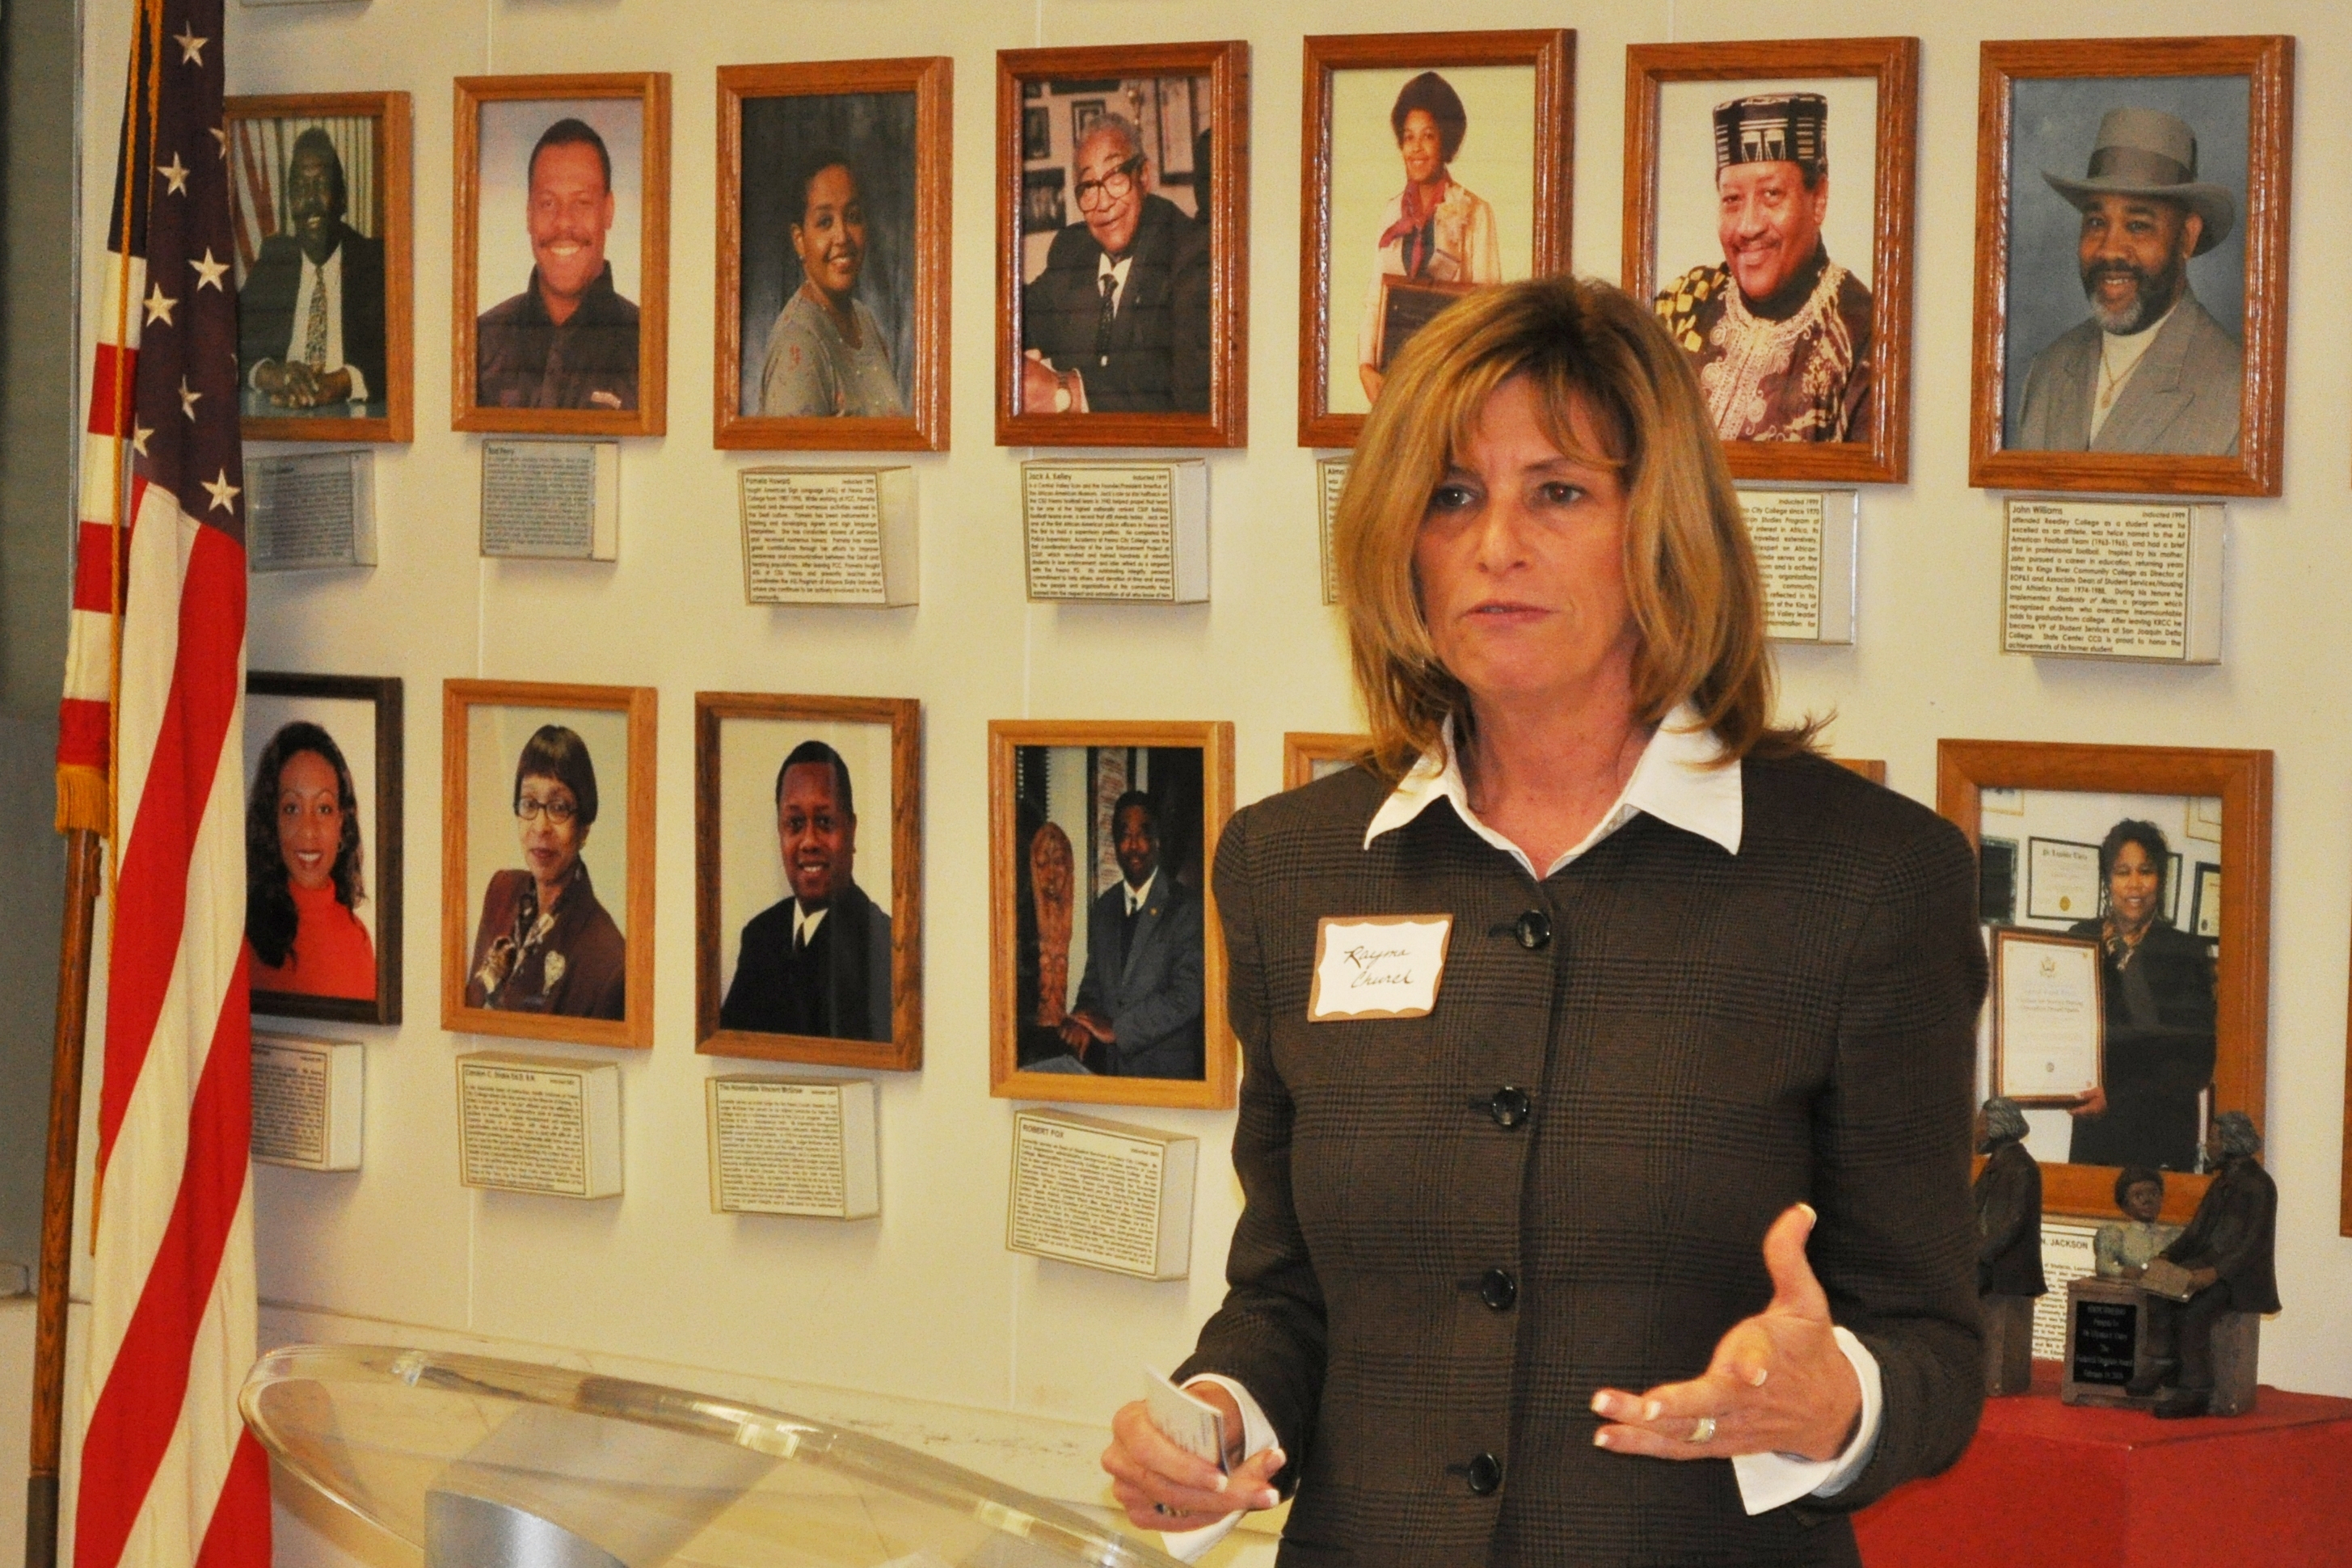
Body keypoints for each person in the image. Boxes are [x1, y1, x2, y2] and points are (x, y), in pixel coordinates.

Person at [1102, 276, 1985, 1564]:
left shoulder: (1864, 881)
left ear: (1659, 528)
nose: (1495, 544)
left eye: (1558, 492)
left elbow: (1935, 1345)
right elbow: (1287, 1290)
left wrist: (1835, 1399)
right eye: (1452, 495)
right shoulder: (1293, 866)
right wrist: (1217, 1418)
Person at [2013, 107, 2243, 456]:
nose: (2109, 250)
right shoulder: (2047, 371)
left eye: (2138, 226)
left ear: (2186, 237)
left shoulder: (2237, 392)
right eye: (2096, 222)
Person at [1655, 92, 1874, 444]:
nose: (1748, 226)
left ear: (1818, 198)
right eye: (1732, 199)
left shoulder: (1863, 333)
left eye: (1771, 194)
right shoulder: (1680, 307)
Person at [1020, 113, 1210, 415]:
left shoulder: (1190, 254)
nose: (1104, 202)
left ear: (1143, 176)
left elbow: (1185, 390)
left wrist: (1065, 391)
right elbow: (1020, 317)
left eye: (1116, 178)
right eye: (1089, 186)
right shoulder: (1072, 250)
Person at [2065, 819, 2215, 1172]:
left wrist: (2115, 1096)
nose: (2134, 884)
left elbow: (2197, 1062)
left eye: (2145, 871)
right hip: (2096, 1137)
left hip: (2161, 1133)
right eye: (2123, 872)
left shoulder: (2186, 951)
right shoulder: (2080, 940)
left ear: (2160, 878)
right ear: (2108, 879)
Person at [719, 741, 891, 1041]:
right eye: (795, 823)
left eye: (825, 822)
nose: (809, 841)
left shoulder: (884, 946)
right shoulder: (760, 936)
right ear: (780, 831)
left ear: (851, 830)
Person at [1355, 70, 1502, 404]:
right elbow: (1375, 301)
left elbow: (1489, 312)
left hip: (1452, 388)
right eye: (1409, 137)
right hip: (1396, 384)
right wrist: (1366, 367)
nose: (1416, 148)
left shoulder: (1476, 212)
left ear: (1445, 141)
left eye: (1428, 136)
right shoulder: (1391, 213)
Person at [476, 118, 639, 411]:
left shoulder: (649, 348)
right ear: (529, 214)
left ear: (608, 211)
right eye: (548, 203)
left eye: (582, 203)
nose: (564, 222)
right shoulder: (480, 345)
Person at [466, 724, 625, 1019]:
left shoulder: (609, 961)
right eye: (529, 804)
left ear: (584, 828)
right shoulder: (501, 890)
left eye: (559, 807)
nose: (540, 827)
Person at [2126, 1112, 2277, 1418]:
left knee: (2194, 1310)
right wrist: (2167, 1257)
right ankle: (2162, 1362)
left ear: (2231, 1142)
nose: (2208, 1145)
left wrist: (2215, 1272)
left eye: (2213, 1138)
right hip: (2209, 1265)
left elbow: (2252, 1244)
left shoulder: (2260, 1186)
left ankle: (2196, 1389)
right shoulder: (2221, 1184)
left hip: (2239, 1277)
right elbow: (2195, 1233)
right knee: (2159, 1287)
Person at [238, 128, 387, 412]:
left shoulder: (373, 262)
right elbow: (230, 340)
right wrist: (271, 375)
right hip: (281, 416)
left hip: (355, 418)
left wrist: (341, 383)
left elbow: (398, 353)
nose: (310, 200)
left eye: (322, 184)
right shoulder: (275, 261)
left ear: (342, 198)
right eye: (300, 188)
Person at [1058, 791, 1204, 1079]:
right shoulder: (1104, 908)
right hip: (1112, 1074)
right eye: (1125, 836)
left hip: (1167, 1077)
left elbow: (1187, 997)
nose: (1133, 846)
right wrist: (1082, 1020)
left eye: (1143, 834)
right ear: (1115, 845)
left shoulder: (1187, 908)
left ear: (1157, 841)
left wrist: (1119, 1030)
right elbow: (1093, 984)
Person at [757, 150, 906, 418]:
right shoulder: (798, 344)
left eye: (853, 217)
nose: (842, 236)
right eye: (825, 222)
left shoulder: (864, 320)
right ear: (799, 240)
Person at [243, 721, 375, 1000]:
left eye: (324, 809)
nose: (308, 830)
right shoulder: (242, 934)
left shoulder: (358, 940)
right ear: (272, 821)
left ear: (341, 821)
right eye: (292, 809)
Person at [1975, 1098, 2046, 1302]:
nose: (1977, 1131)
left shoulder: (2021, 1167)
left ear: (1998, 1126)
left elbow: (2015, 1221)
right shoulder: (1997, 1164)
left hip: (2007, 1279)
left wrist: (1981, 1254)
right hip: (1990, 1274)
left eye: (1982, 1123)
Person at [2093, 1165, 2181, 1279]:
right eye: (2138, 1196)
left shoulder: (2172, 1237)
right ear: (2125, 1205)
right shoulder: (2117, 1235)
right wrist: (2125, 1272)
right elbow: (2103, 1266)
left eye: (2153, 1194)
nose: (2147, 1201)